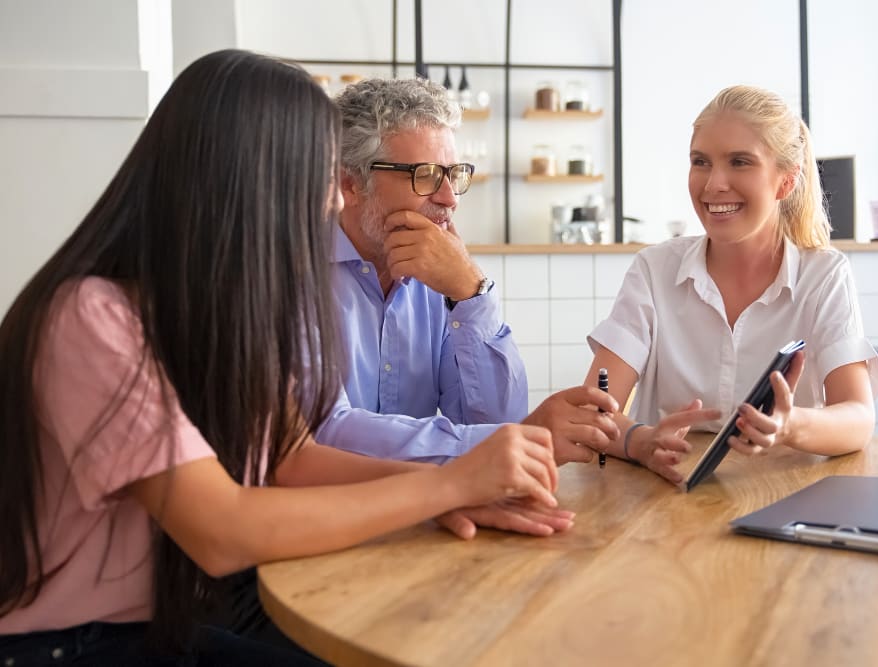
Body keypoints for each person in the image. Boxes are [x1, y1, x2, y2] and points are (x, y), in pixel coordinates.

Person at [0, 50, 572, 665]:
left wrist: (455, 490)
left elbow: (293, 456)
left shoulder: (212, 304)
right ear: (252, 179)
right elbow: (221, 533)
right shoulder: (91, 316)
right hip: (67, 645)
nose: (333, 202)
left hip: (166, 616)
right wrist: (452, 483)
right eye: (324, 177)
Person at [585, 84, 878, 484]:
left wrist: (790, 424)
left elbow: (859, 419)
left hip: (780, 495)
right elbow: (595, 413)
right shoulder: (653, 270)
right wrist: (641, 441)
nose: (713, 184)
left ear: (786, 181)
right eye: (700, 161)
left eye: (740, 162)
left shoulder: (824, 275)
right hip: (663, 501)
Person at [315, 76, 617, 465]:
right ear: (350, 184)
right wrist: (508, 443)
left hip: (431, 510)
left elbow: (497, 419)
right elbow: (325, 433)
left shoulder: (442, 276)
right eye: (424, 175)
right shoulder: (291, 272)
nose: (449, 199)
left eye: (453, 175)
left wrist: (471, 292)